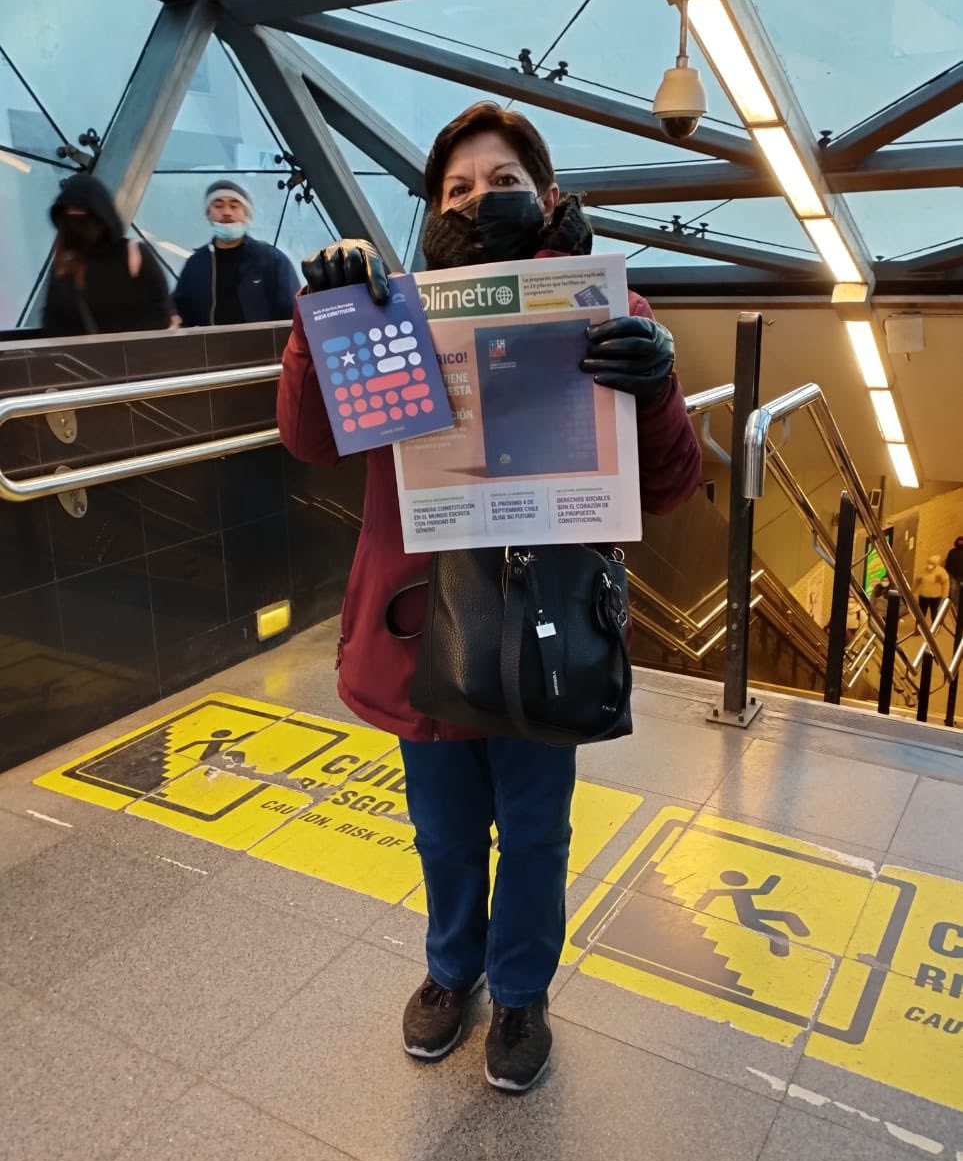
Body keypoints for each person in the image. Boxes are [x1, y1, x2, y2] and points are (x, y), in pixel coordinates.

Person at [277, 102, 701, 1094]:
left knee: (537, 833)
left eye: (502, 182)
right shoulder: (392, 315)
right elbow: (310, 438)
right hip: (421, 628)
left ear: (545, 198)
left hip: (542, 633)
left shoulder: (609, 313)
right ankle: (451, 968)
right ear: (432, 210)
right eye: (457, 188)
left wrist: (656, 387)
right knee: (444, 830)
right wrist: (319, 319)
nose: (478, 201)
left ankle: (518, 992)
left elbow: (670, 485)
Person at [41, 174, 173, 335]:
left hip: (125, 352)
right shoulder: (64, 264)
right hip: (94, 352)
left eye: (80, 210)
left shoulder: (131, 254)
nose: (75, 221)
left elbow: (162, 312)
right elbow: (53, 321)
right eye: (70, 211)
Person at [173, 179, 300, 327]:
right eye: (218, 206)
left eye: (234, 206)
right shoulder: (196, 264)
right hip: (210, 342)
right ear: (208, 214)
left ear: (246, 214)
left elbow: (295, 310)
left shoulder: (271, 260)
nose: (227, 213)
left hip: (264, 342)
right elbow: (180, 312)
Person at [914, 554, 950, 621]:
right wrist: (912, 590)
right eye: (929, 563)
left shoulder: (941, 572)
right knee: (921, 612)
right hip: (923, 595)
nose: (929, 565)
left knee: (934, 612)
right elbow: (917, 581)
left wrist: (945, 594)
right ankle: (919, 625)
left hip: (935, 596)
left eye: (932, 564)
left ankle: (934, 625)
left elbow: (945, 584)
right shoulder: (923, 570)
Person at [944, 535, 963, 605]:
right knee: (953, 592)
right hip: (953, 575)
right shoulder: (952, 552)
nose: (960, 543)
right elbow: (948, 562)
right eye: (959, 542)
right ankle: (954, 606)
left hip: (960, 576)